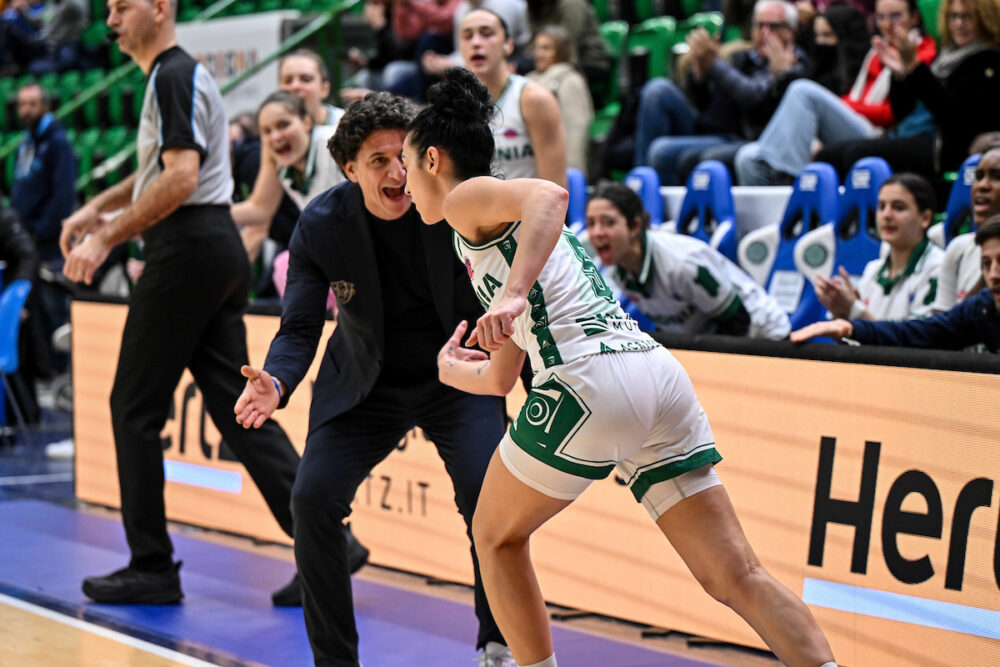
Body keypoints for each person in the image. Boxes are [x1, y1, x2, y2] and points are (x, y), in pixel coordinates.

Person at [403, 66, 837, 667]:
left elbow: (551, 194)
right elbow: (502, 377)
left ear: (431, 159)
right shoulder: (496, 235)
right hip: (653, 374)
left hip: (589, 382)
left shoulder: (465, 198)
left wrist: (510, 296)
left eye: (404, 166)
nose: (403, 183)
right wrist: (454, 369)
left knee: (494, 536)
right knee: (735, 573)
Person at [233, 91, 515, 667]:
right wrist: (278, 381)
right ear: (349, 168)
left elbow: (513, 297)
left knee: (486, 499)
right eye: (378, 160)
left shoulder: (456, 207)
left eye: (404, 157)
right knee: (311, 499)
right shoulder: (322, 224)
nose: (396, 172)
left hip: (457, 378)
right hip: (366, 382)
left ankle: (498, 644)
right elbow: (300, 327)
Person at [59, 0, 304, 608]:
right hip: (213, 246)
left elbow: (181, 177)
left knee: (132, 407)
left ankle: (152, 566)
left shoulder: (171, 72)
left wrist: (104, 237)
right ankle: (326, 538)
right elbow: (157, 169)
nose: (111, 18)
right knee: (235, 406)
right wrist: (101, 205)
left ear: (161, 9)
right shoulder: (172, 75)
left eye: (122, 6)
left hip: (187, 246)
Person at [735, 0, 937, 185]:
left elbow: (891, 113)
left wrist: (843, 104)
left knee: (802, 91)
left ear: (915, 17)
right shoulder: (876, 53)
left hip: (883, 134)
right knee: (747, 157)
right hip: (859, 121)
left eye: (895, 16)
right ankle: (776, 218)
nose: (887, 24)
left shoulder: (922, 54)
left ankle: (795, 189)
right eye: (881, 17)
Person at [814, 0, 1000, 183]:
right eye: (954, 16)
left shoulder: (988, 63)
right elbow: (902, 111)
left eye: (967, 17)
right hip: (915, 134)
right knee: (828, 155)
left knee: (855, 156)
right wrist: (900, 76)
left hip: (945, 147)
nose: (959, 24)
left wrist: (915, 68)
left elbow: (952, 119)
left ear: (985, 20)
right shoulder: (947, 57)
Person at [633, 0, 811, 186]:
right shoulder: (741, 57)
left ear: (792, 32)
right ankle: (641, 189)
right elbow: (705, 104)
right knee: (657, 89)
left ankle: (661, 203)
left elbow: (753, 98)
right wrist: (700, 74)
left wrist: (780, 76)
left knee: (663, 151)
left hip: (743, 137)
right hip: (713, 129)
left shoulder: (794, 63)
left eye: (774, 26)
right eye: (760, 25)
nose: (765, 33)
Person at [586, 182, 791, 339]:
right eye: (591, 223)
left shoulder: (682, 264)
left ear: (634, 226)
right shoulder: (614, 270)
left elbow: (737, 320)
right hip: (709, 338)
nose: (597, 233)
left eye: (608, 223)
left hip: (764, 335)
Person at [791, 215, 1000, 352]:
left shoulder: (935, 265)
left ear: (925, 218)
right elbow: (914, 334)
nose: (993, 275)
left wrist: (854, 310)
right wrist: (851, 328)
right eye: (986, 263)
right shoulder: (982, 308)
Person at [231, 91, 346, 264]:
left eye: (283, 125)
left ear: (306, 122)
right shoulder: (279, 160)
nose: (276, 136)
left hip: (365, 242)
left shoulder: (335, 144)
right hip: (334, 246)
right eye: (267, 131)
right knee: (283, 265)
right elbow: (260, 208)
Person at [10, 81, 76, 373]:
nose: (26, 110)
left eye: (32, 104)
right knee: (37, 311)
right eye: (22, 104)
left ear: (45, 106)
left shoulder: (57, 142)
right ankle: (48, 372)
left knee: (55, 309)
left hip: (48, 243)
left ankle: (63, 375)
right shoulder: (26, 142)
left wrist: (38, 232)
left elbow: (62, 195)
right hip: (27, 241)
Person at [814, 173, 943, 321]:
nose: (886, 215)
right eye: (881, 207)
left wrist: (855, 310)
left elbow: (914, 340)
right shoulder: (872, 270)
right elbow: (854, 341)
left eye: (898, 208)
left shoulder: (938, 269)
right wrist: (840, 311)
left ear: (925, 218)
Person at [460, 8, 566, 186]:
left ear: (508, 45)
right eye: (468, 36)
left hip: (527, 212)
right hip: (473, 212)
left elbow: (555, 189)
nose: (476, 42)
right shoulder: (452, 105)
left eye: (487, 34)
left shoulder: (534, 99)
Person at [933, 145, 1000, 312]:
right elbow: (941, 328)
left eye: (996, 176)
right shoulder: (959, 248)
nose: (982, 186)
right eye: (979, 176)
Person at [526, 25, 592, 176]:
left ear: (561, 51)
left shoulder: (570, 80)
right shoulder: (527, 80)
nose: (539, 54)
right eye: (537, 48)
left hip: (558, 171)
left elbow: (577, 130)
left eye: (546, 48)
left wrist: (572, 172)